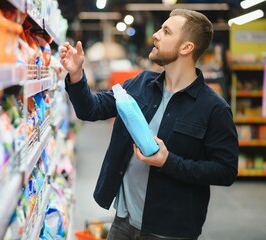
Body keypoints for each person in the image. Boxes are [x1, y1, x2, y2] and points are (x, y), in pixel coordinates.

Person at [59, 9, 239, 240]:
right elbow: (90, 109)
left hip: (170, 229)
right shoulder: (141, 84)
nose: (155, 35)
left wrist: (168, 162)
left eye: (166, 31)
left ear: (186, 48)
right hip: (123, 220)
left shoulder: (214, 108)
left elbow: (225, 171)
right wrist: (76, 75)